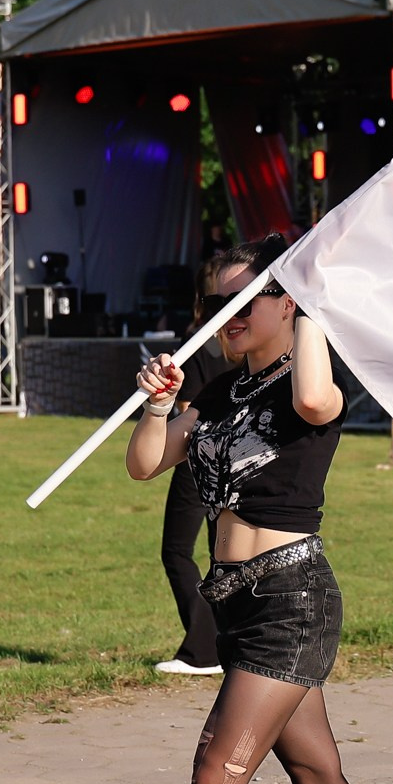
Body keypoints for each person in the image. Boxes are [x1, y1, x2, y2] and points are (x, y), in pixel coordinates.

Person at [70, 237, 393, 784]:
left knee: (213, 776)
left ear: (285, 305)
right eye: (216, 305)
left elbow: (325, 402)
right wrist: (158, 403)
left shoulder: (305, 386)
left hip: (293, 602)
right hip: (239, 609)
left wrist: (313, 312)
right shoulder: (223, 392)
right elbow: (145, 464)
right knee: (316, 772)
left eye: (242, 304)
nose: (222, 320)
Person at [154, 260, 233, 676]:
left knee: (176, 551)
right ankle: (225, 642)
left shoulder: (197, 342)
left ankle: (204, 650)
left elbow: (187, 410)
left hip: (198, 456)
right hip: (234, 456)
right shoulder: (241, 344)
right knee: (223, 553)